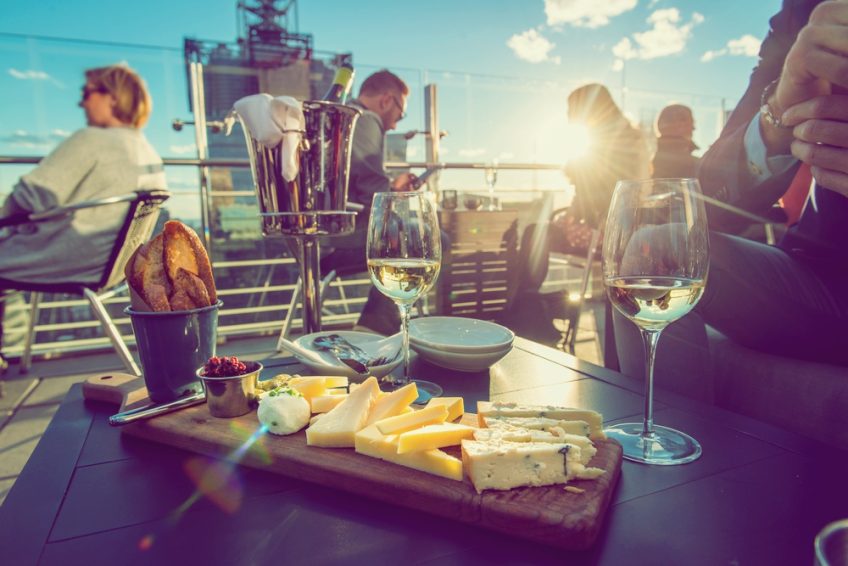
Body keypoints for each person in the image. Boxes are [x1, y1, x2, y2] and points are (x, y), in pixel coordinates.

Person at [613, 0, 848, 402]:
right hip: (823, 274)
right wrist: (777, 117)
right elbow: (710, 196)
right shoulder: (804, 15)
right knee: (650, 249)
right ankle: (663, 444)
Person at [0, 64, 166, 373]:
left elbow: (31, 195)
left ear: (112, 98)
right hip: (114, 265)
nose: (81, 102)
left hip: (69, 257)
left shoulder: (91, 139)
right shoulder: (147, 151)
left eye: (87, 93)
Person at [320, 69, 419, 335]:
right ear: (387, 100)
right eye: (400, 114)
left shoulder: (335, 119)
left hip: (312, 241)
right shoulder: (364, 120)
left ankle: (380, 324)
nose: (396, 125)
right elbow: (376, 197)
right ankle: (374, 330)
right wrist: (395, 192)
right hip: (337, 240)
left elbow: (359, 185)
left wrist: (391, 186)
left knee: (407, 233)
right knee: (423, 237)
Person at [554, 83, 650, 254]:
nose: (567, 114)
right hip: (615, 229)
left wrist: (572, 216)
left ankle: (524, 280)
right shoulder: (628, 139)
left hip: (604, 232)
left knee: (535, 235)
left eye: (571, 108)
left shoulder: (598, 145)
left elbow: (591, 199)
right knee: (538, 234)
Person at [652, 104, 701, 179]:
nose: (694, 128)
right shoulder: (696, 165)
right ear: (678, 124)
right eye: (691, 122)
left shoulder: (650, 159)